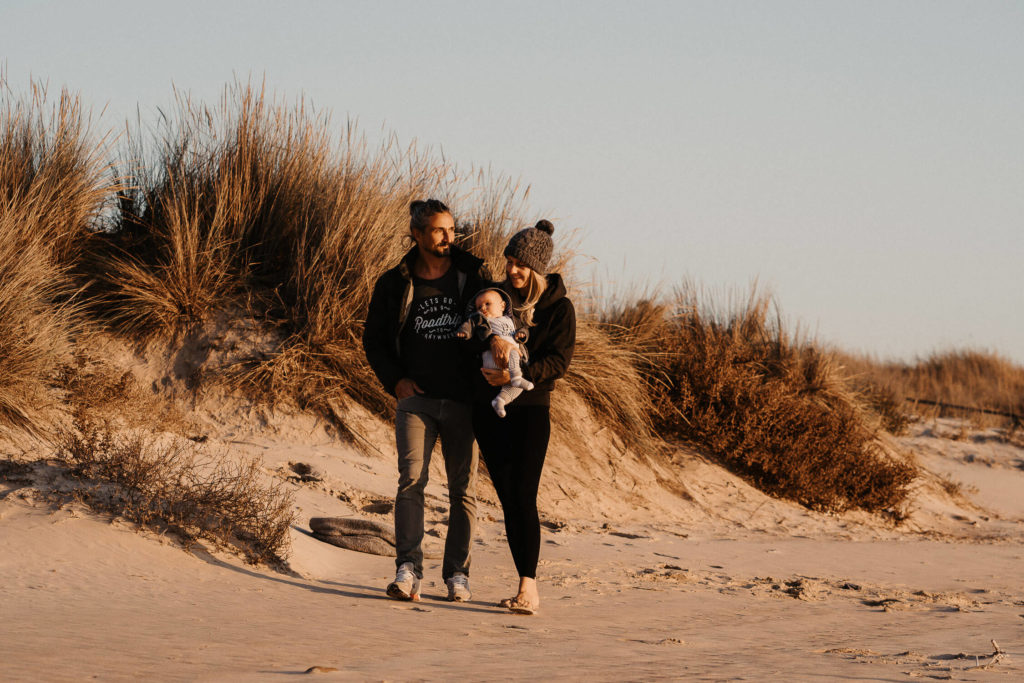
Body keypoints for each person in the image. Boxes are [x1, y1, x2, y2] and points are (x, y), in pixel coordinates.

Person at [362, 199, 492, 602]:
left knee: (463, 491)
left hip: (464, 401)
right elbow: (374, 339)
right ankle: (408, 570)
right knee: (411, 484)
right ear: (416, 234)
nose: (448, 237)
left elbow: (498, 320)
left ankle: (457, 575)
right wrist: (394, 380)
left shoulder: (472, 275)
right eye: (439, 230)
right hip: (416, 400)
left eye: (451, 230)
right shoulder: (394, 282)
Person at [471, 219, 576, 615]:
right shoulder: (499, 299)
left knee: (523, 495)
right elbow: (475, 323)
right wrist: (493, 336)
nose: (512, 270)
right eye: (510, 261)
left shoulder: (559, 308)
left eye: (520, 264)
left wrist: (517, 375)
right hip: (490, 411)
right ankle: (523, 585)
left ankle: (528, 587)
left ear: (537, 268)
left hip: (532, 410)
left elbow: (559, 362)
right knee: (506, 497)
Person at [456, 287, 532, 417]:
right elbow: (470, 323)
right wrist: (464, 332)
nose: (483, 308)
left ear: (502, 306)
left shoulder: (511, 321)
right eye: (479, 307)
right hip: (492, 360)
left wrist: (521, 334)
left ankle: (500, 401)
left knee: (517, 388)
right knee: (513, 352)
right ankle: (516, 377)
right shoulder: (482, 319)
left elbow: (524, 330)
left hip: (511, 365)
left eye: (487, 304)